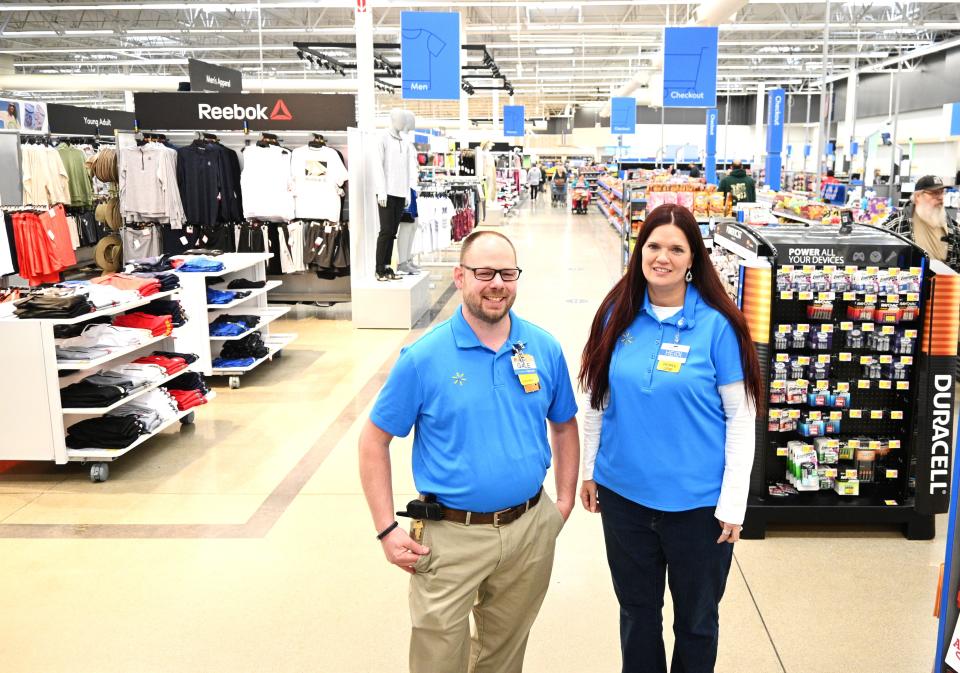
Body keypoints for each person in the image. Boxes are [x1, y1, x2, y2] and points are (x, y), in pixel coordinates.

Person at [359, 229, 580, 673]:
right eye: (483, 273)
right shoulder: (423, 357)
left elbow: (564, 424)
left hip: (529, 529)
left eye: (507, 273)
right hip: (450, 537)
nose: (496, 283)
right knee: (438, 653)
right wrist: (386, 529)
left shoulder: (543, 347)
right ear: (459, 277)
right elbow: (373, 441)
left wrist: (563, 502)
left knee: (504, 650)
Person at [578, 203, 761, 673]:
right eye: (654, 245)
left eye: (676, 248)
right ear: (640, 251)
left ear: (693, 259)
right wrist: (588, 470)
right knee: (637, 614)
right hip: (624, 500)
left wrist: (733, 503)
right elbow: (596, 399)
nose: (663, 256)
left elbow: (741, 419)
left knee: (697, 621)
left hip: (698, 509)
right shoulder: (616, 315)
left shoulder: (719, 326)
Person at [883, 175, 960, 272]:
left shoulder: (953, 227)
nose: (940, 197)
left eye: (941, 193)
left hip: (944, 285)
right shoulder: (896, 223)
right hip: (908, 284)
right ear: (918, 196)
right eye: (934, 193)